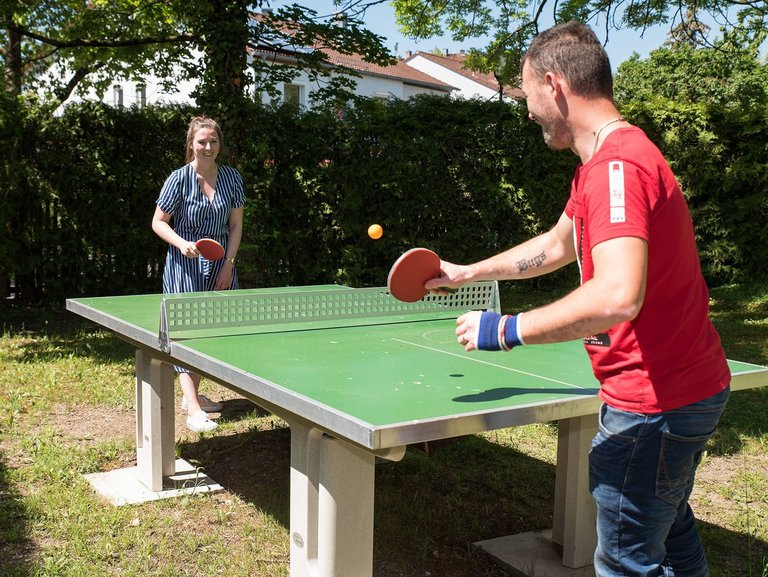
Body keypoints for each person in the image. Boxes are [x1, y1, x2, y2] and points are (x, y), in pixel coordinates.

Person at [426, 21, 730, 577]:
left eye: (527, 94)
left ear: (554, 85)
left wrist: (506, 329)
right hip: (682, 391)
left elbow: (616, 295)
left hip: (652, 403)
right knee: (670, 535)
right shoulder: (605, 163)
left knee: (625, 562)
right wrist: (468, 272)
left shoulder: (616, 168)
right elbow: (557, 245)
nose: (528, 111)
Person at [152, 116, 246, 433]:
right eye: (202, 141)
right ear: (191, 144)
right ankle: (193, 409)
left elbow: (236, 225)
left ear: (219, 144)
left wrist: (229, 263)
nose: (208, 147)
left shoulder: (232, 178)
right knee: (186, 332)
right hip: (184, 264)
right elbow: (158, 222)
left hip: (220, 263)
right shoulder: (178, 179)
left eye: (213, 141)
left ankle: (191, 394)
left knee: (210, 331)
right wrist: (181, 243)